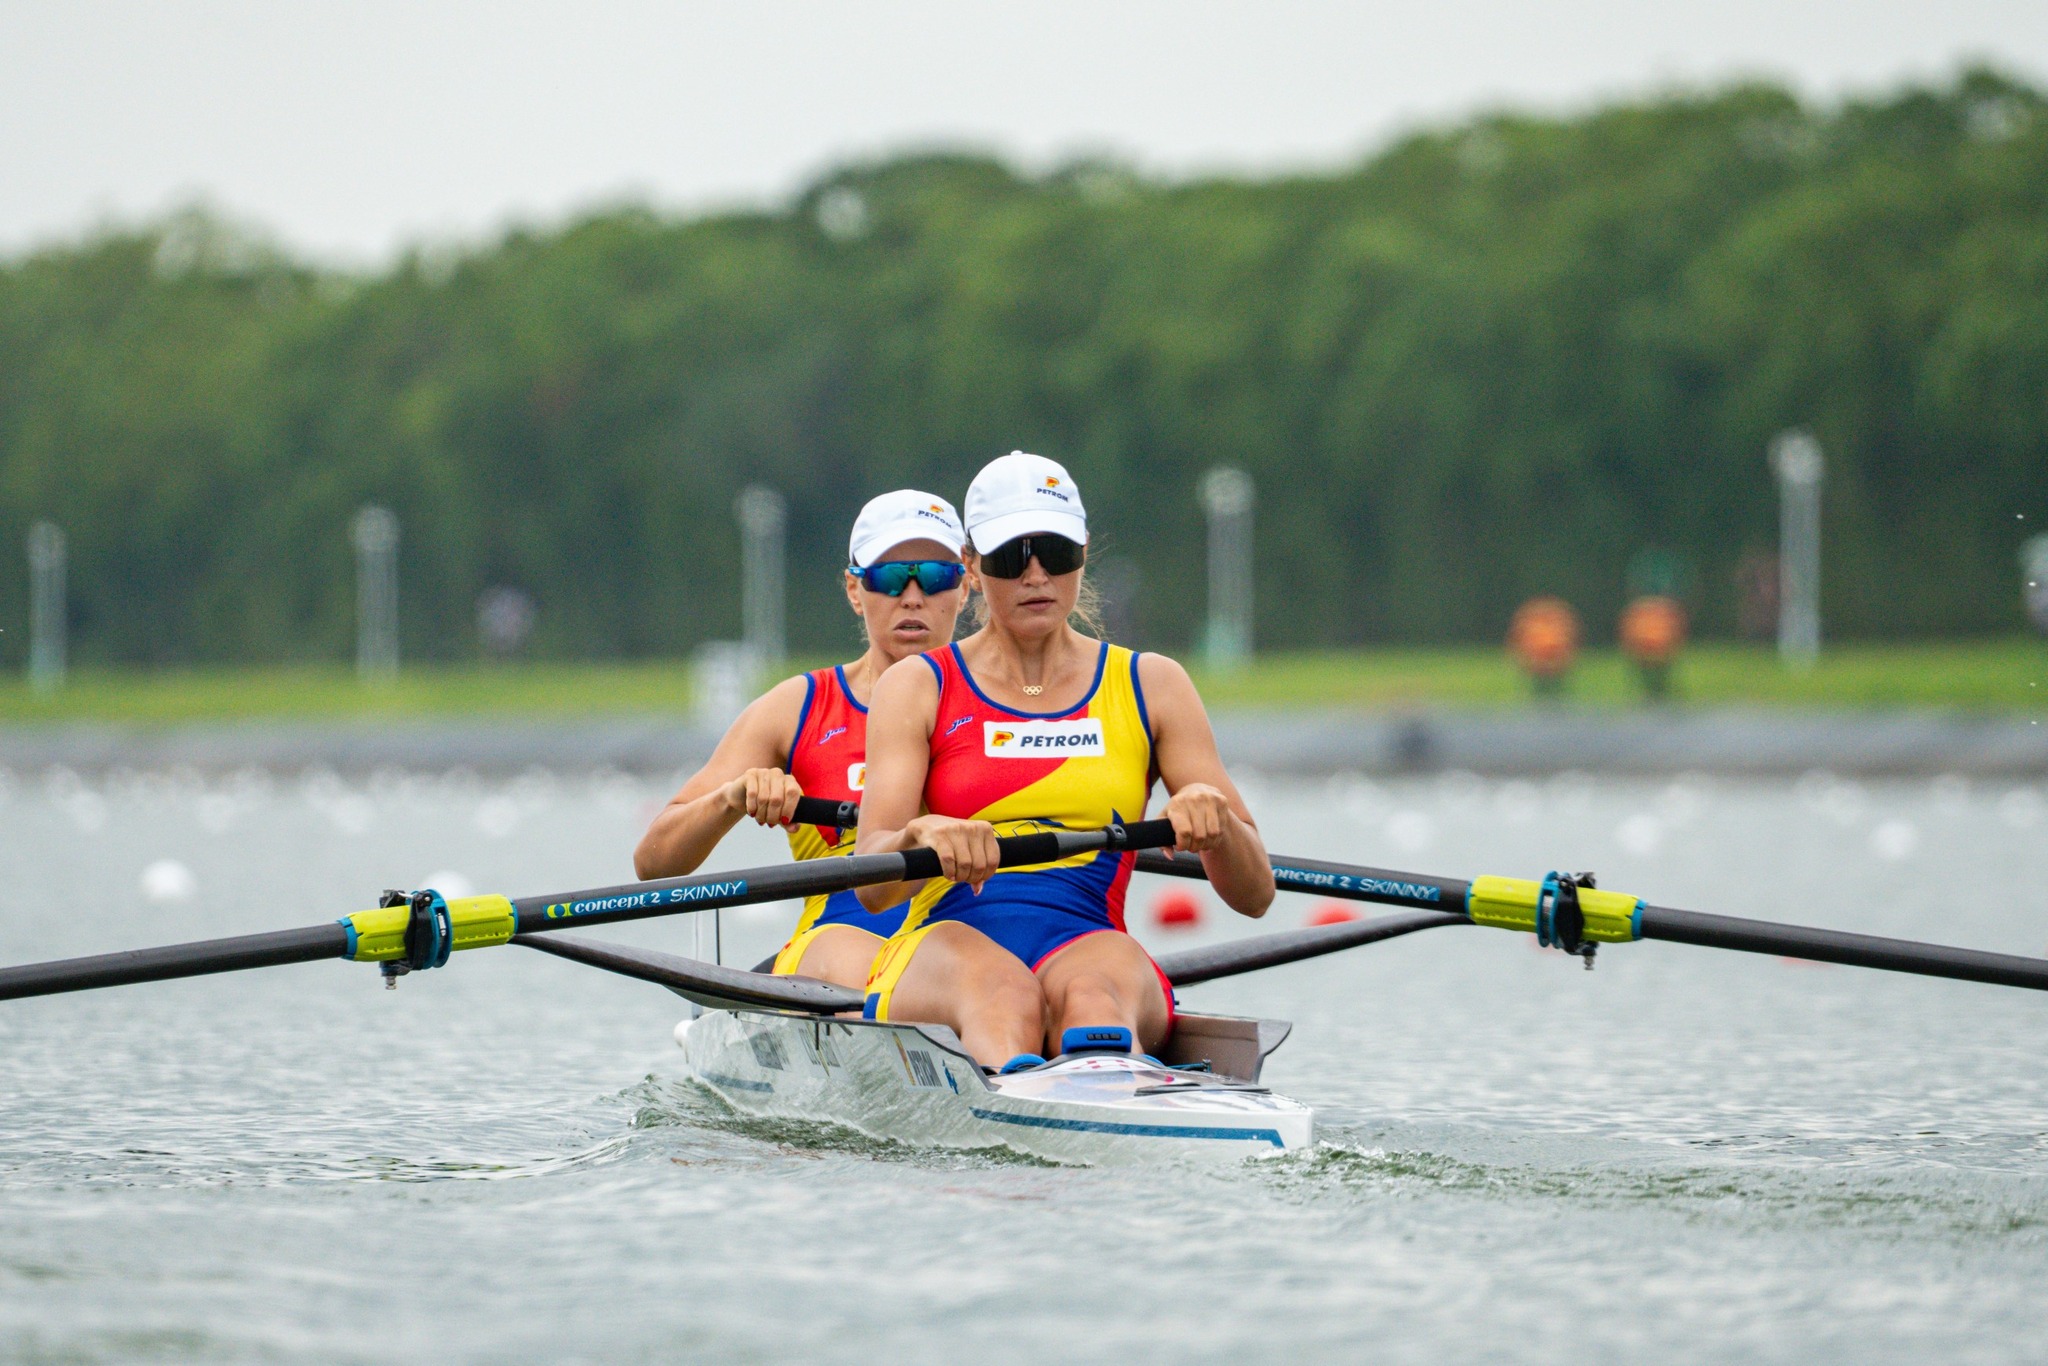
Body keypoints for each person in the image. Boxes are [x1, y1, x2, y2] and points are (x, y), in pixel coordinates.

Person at [852, 451, 1275, 1070]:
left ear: (1082, 551)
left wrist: (1218, 829)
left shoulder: (1152, 684)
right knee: (1004, 996)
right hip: (945, 945)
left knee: (1094, 1002)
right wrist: (919, 835)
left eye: (1054, 552)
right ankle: (1020, 1095)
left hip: (1088, 940)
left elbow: (1257, 893)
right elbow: (872, 887)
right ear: (971, 567)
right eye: (1008, 556)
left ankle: (1098, 1089)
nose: (1035, 576)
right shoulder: (918, 685)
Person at [633, 490, 969, 989]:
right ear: (855, 591)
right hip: (839, 959)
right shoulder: (797, 709)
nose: (913, 596)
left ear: (965, 588)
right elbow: (654, 862)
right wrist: (730, 799)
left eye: (937, 576)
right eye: (890, 577)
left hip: (969, 951)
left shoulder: (1007, 705)